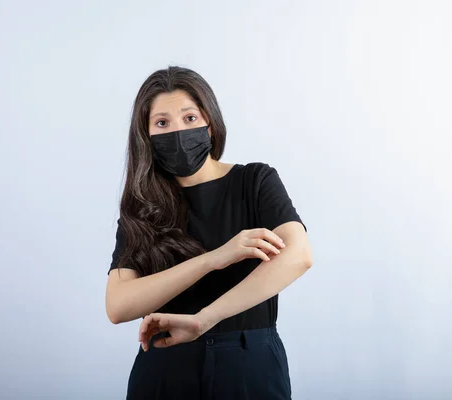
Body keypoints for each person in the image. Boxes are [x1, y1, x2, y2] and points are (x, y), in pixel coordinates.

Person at [105, 66, 313, 399]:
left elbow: (298, 255)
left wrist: (204, 319)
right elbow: (118, 306)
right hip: (166, 369)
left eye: (189, 118)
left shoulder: (254, 181)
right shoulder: (144, 207)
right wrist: (212, 260)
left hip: (250, 363)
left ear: (211, 124)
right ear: (146, 137)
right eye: (162, 123)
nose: (178, 131)